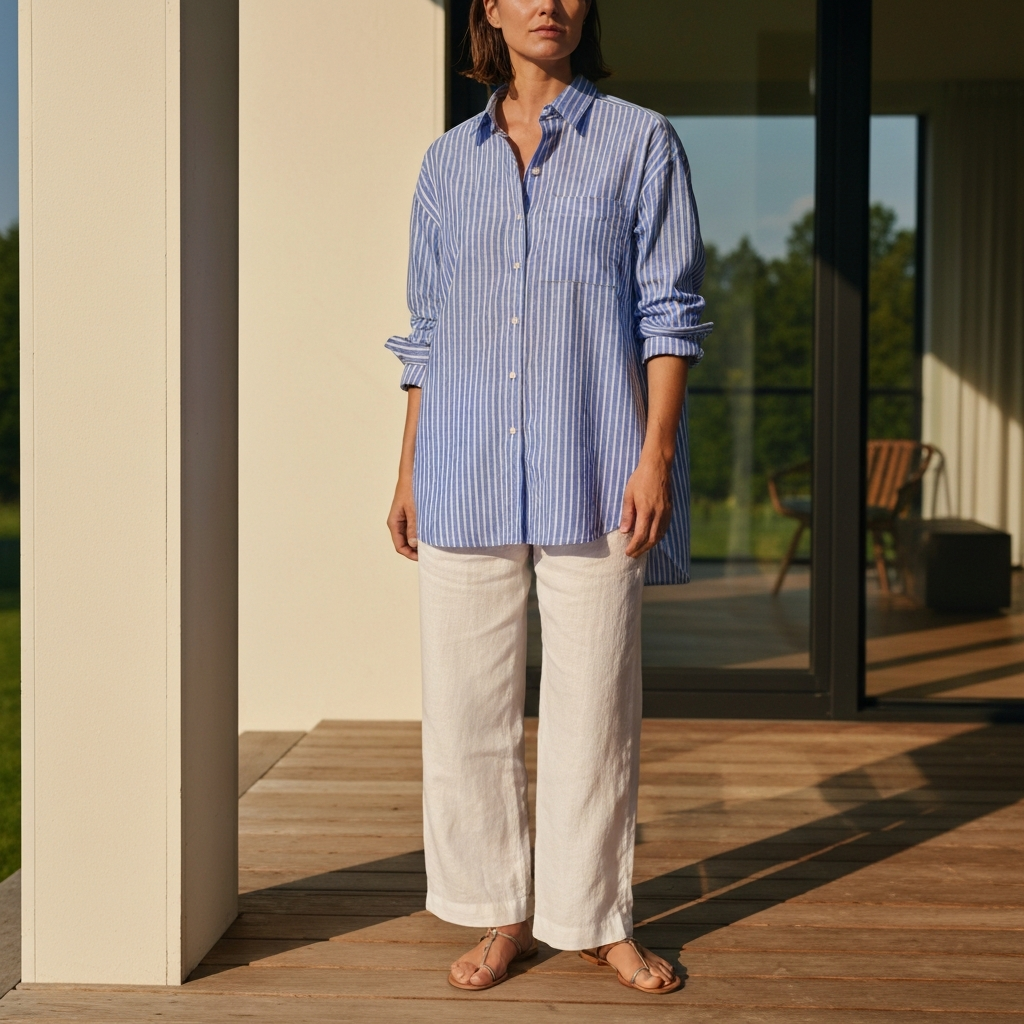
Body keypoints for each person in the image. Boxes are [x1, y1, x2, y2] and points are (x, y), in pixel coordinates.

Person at [385, 0, 711, 995]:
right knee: (468, 709)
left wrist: (654, 456)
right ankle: (503, 915)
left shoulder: (641, 142)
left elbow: (672, 308)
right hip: (462, 464)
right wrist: (406, 468)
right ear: (489, 6)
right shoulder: (448, 163)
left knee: (595, 707)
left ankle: (595, 918)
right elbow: (427, 328)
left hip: (599, 464)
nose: (550, 5)